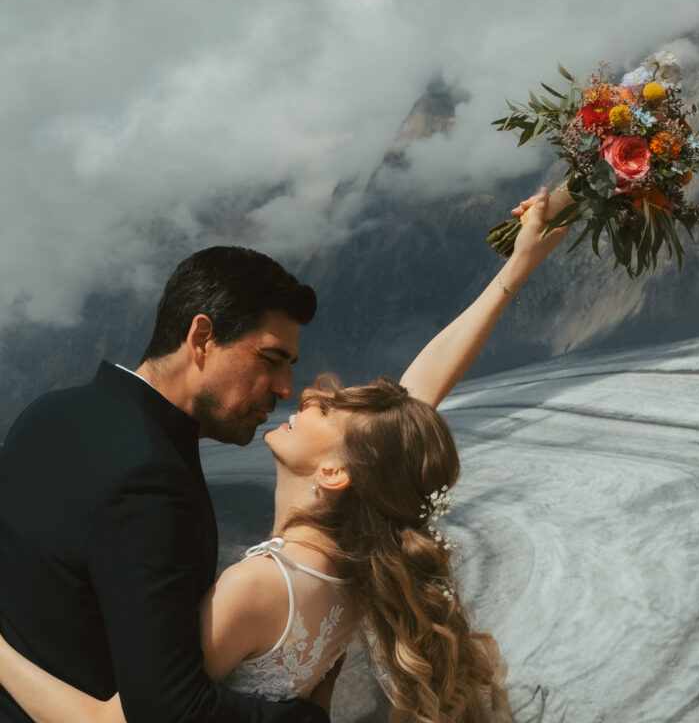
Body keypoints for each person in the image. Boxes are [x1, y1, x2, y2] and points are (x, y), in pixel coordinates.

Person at [0, 188, 566, 722]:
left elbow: (399, 417)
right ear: (201, 338)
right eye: (271, 359)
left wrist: (517, 267)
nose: (286, 388)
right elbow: (167, 710)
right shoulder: (154, 479)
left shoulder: (43, 415)